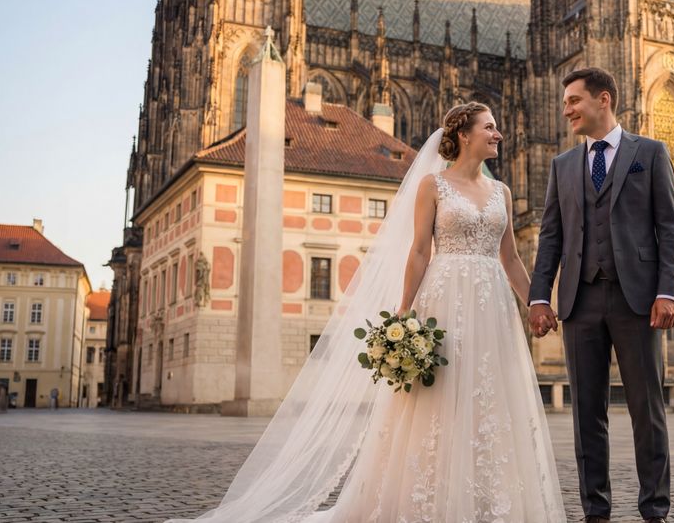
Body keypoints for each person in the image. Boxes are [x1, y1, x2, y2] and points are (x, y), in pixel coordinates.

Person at [167, 103, 565, 523]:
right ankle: (427, 500)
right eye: (490, 127)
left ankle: (487, 501)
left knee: (490, 399)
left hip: (492, 307)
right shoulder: (433, 185)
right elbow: (417, 252)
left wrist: (536, 303)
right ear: (464, 135)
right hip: (446, 299)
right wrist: (404, 312)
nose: (498, 133)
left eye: (497, 126)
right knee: (438, 400)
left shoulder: (500, 191)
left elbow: (511, 259)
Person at [528, 67, 674, 523]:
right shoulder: (563, 166)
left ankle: (654, 508)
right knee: (586, 415)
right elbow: (550, 236)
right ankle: (596, 510)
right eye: (565, 102)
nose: (567, 109)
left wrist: (668, 291)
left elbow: (669, 229)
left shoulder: (650, 153)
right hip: (579, 301)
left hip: (638, 300)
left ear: (604, 100)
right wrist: (540, 297)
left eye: (574, 100)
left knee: (646, 409)